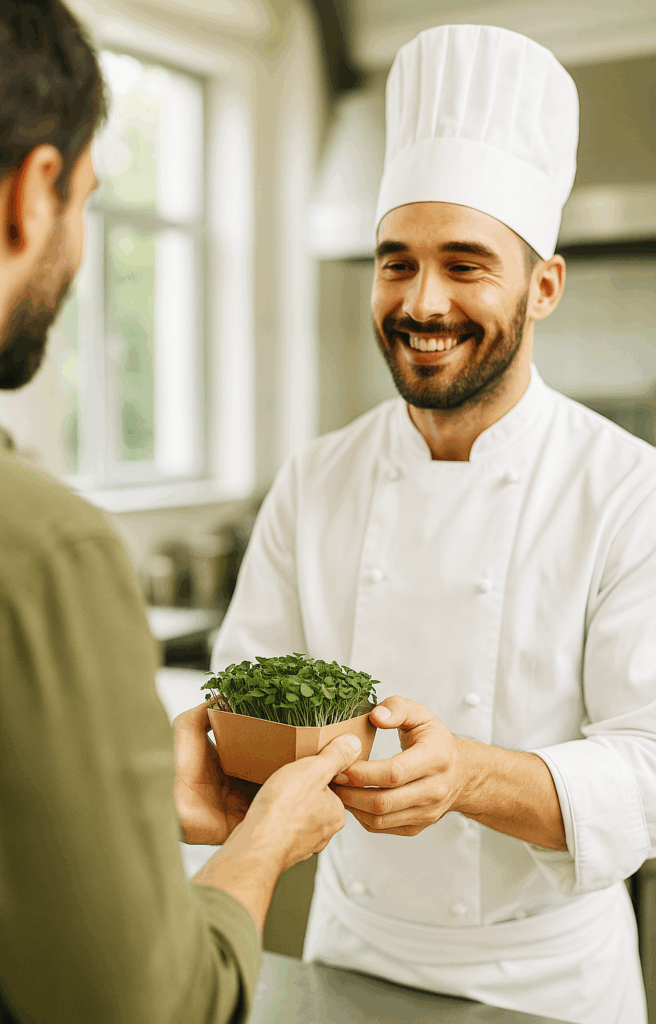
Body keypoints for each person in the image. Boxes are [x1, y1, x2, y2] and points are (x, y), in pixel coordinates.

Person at [212, 23, 656, 1024]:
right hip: (350, 948)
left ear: (542, 287)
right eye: (395, 263)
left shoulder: (627, 489)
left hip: (548, 982)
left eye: (464, 265)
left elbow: (645, 764)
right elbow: (242, 696)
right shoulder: (314, 479)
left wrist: (465, 775)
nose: (421, 302)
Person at [0, 3, 365, 1022]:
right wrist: (263, 841)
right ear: (35, 190)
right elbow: (155, 1005)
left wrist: (130, 809)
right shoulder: (41, 553)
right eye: (87, 201)